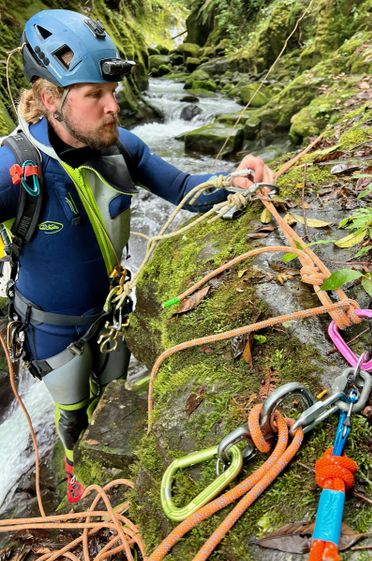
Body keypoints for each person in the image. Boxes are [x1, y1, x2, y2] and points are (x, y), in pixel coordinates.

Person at [0, 9, 273, 503]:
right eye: (95, 94)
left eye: (113, 92)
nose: (113, 106)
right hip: (51, 330)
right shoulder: (14, 169)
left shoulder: (121, 147)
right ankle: (77, 484)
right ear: (50, 99)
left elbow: (186, 189)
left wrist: (235, 180)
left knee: (115, 402)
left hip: (113, 314)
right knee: (75, 416)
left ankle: (106, 480)